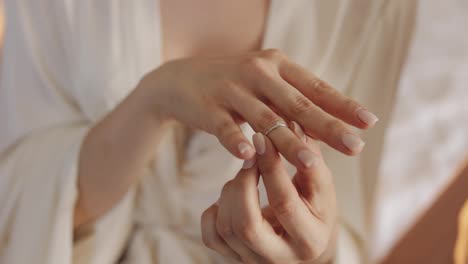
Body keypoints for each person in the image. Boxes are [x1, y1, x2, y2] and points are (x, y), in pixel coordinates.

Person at [0, 0, 416, 263]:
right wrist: (153, 101)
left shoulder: (372, 8)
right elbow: (21, 197)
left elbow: (349, 226)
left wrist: (315, 251)